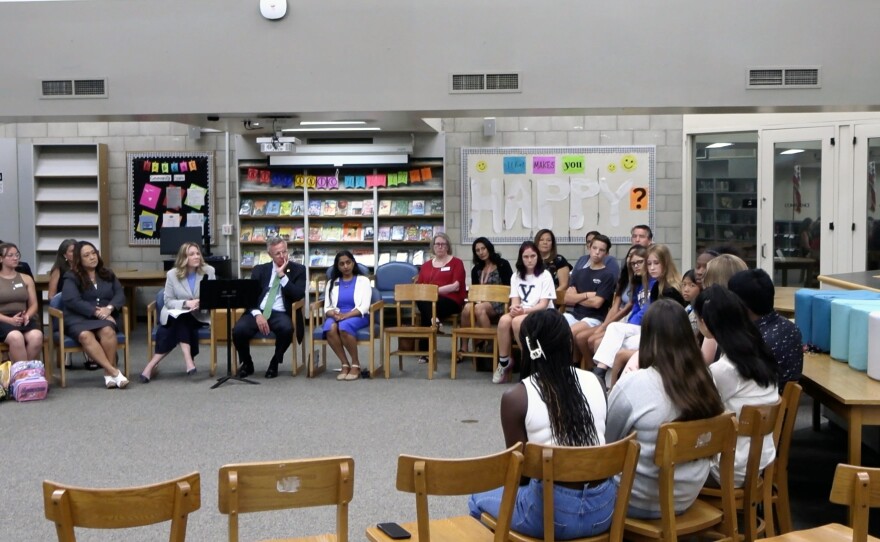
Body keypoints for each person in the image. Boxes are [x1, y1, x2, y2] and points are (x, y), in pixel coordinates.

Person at [468, 310, 615, 539]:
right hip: (604, 511)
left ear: (527, 348)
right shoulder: (596, 382)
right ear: (568, 342)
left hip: (553, 517)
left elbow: (521, 474)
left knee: (477, 499)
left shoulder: (517, 397)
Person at [605, 299, 725, 518]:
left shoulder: (636, 382)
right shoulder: (706, 378)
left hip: (637, 499)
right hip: (687, 495)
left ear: (648, 337)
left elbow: (609, 444)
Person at [693, 285, 778, 487]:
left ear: (704, 322)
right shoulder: (758, 352)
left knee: (665, 462)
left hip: (729, 468)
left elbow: (698, 413)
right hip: (760, 459)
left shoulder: (725, 369)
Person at [593, 244, 684, 387]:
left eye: (656, 263)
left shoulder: (671, 290)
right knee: (615, 328)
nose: (652, 267)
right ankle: (601, 374)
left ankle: (610, 386)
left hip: (664, 337)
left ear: (665, 263)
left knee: (618, 346)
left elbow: (667, 322)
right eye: (649, 264)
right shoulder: (654, 286)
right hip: (650, 330)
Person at [140, 242, 216, 383]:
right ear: (183, 258)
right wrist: (186, 303)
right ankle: (189, 363)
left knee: (176, 326)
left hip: (198, 315)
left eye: (198, 253)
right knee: (181, 320)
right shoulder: (172, 274)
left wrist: (200, 303)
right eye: (191, 254)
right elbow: (168, 301)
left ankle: (150, 366)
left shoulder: (208, 271)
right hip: (175, 314)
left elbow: (213, 297)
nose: (196, 257)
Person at [232, 237, 306, 379]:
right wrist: (257, 314)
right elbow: (249, 296)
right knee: (238, 331)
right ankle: (247, 363)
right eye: (278, 253)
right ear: (270, 254)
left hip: (281, 312)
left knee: (286, 329)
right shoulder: (259, 270)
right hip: (258, 311)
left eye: (284, 251)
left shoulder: (298, 270)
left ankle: (274, 363)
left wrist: (282, 276)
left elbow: (298, 295)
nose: (282, 256)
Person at [61, 241, 129, 389]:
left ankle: (107, 373)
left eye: (94, 253)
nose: (92, 257)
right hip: (78, 318)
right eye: (87, 255)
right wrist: (96, 312)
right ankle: (114, 371)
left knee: (108, 331)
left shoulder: (107, 273)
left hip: (105, 316)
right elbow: (71, 300)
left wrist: (109, 309)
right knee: (85, 335)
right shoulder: (71, 276)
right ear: (79, 259)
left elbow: (119, 294)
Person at [728, 268, 803, 390]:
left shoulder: (755, 340)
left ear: (742, 305)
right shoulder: (790, 327)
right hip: (782, 402)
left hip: (760, 405)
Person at [494, 241, 556, 384]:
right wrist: (515, 309)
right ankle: (504, 362)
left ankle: (529, 362)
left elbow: (544, 304)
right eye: (526, 257)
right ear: (521, 258)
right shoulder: (516, 276)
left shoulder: (545, 275)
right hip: (523, 311)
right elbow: (515, 300)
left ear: (538, 257)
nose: (529, 260)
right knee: (504, 320)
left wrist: (523, 311)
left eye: (533, 256)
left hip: (543, 313)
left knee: (517, 321)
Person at [414, 232, 466, 362]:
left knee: (427, 304)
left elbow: (456, 286)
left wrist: (434, 291)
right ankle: (434, 320)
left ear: (448, 246)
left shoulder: (456, 263)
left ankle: (425, 352)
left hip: (451, 299)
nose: (440, 247)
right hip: (430, 301)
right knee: (424, 302)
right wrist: (429, 294)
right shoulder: (426, 266)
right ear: (433, 247)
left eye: (443, 244)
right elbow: (420, 287)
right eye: (437, 244)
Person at [322, 250, 371, 381]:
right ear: (337, 267)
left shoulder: (363, 281)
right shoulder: (331, 283)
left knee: (344, 326)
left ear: (353, 263)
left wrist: (345, 315)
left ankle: (355, 364)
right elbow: (327, 307)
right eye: (342, 264)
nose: (345, 266)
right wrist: (333, 313)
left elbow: (365, 307)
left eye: (348, 262)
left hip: (358, 315)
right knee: (329, 327)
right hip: (337, 314)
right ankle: (344, 364)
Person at [459, 237, 513, 355]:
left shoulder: (502, 264)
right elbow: (475, 290)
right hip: (482, 302)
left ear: (489, 248)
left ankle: (490, 345)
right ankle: (463, 347)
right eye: (477, 250)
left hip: (500, 302)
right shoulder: (476, 269)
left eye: (483, 248)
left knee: (479, 308)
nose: (481, 252)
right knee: (467, 308)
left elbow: (511, 287)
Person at [0, 243, 43, 362]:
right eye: (10, 255)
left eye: (17, 254)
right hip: (3, 320)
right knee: (16, 337)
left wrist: (27, 315)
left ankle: (22, 371)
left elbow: (34, 304)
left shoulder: (26, 278)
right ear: (1, 258)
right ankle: (22, 375)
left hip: (22, 318)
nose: (15, 258)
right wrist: (9, 320)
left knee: (37, 336)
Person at [566, 234, 616, 335]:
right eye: (594, 248)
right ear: (589, 248)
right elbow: (567, 299)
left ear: (606, 254)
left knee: (568, 332)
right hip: (574, 315)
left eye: (601, 250)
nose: (597, 252)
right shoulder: (579, 272)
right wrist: (587, 295)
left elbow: (596, 303)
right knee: (552, 326)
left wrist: (575, 298)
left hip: (594, 319)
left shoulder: (607, 275)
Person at [535, 228, 572, 293]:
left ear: (552, 243)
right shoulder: (532, 260)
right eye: (541, 240)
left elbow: (564, 285)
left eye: (548, 240)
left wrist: (549, 297)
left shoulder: (559, 260)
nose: (545, 242)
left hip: (553, 298)